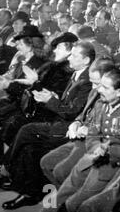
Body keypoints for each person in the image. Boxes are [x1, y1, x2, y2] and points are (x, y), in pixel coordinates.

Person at [0, 41, 94, 210]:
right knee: (29, 148)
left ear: (86, 60)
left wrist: (50, 100)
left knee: (26, 130)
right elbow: (68, 103)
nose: (70, 58)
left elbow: (73, 112)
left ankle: (6, 171)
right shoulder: (77, 74)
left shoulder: (87, 81)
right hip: (60, 122)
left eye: (75, 55)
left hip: (67, 129)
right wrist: (52, 96)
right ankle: (25, 190)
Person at [40, 68, 120, 212]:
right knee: (60, 195)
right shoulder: (100, 104)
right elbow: (93, 133)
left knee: (75, 204)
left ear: (118, 92)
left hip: (110, 166)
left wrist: (108, 151)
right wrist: (96, 147)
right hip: (90, 159)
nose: (99, 90)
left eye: (105, 87)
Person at [39, 57, 115, 187]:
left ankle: (66, 200)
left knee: (60, 171)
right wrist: (77, 123)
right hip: (79, 139)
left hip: (94, 144)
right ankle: (63, 197)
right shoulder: (94, 91)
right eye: (92, 82)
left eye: (97, 83)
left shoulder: (116, 99)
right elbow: (83, 113)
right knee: (46, 162)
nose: (94, 87)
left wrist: (88, 130)